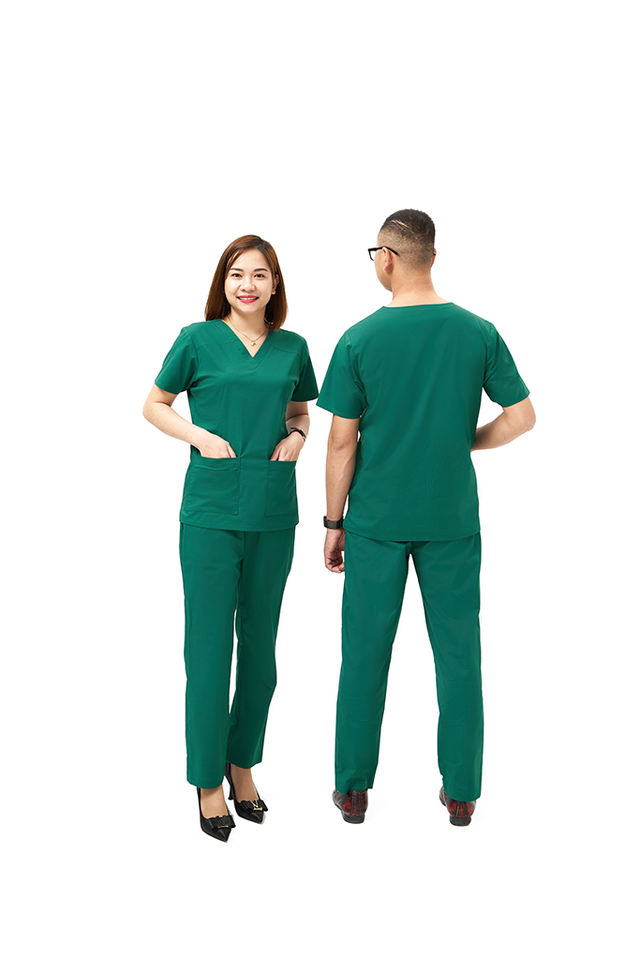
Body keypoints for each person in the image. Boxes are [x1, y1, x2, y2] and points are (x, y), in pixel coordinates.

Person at [316, 209, 535, 827]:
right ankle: (461, 792)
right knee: (459, 656)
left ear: (385, 258)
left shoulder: (359, 339)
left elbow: (341, 442)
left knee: (364, 656)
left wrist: (332, 521)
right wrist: (465, 442)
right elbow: (522, 417)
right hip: (451, 519)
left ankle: (353, 790)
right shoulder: (478, 332)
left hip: (375, 521)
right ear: (432, 257)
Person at [143, 235, 318, 841]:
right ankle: (207, 780)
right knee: (210, 650)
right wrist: (199, 437)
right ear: (224, 281)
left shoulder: (293, 347)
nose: (248, 284)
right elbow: (155, 404)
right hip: (211, 512)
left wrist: (297, 438)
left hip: (272, 510)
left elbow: (300, 413)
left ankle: (242, 765)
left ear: (275, 285)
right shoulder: (197, 339)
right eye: (237, 274)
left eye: (260, 275)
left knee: (262, 654)